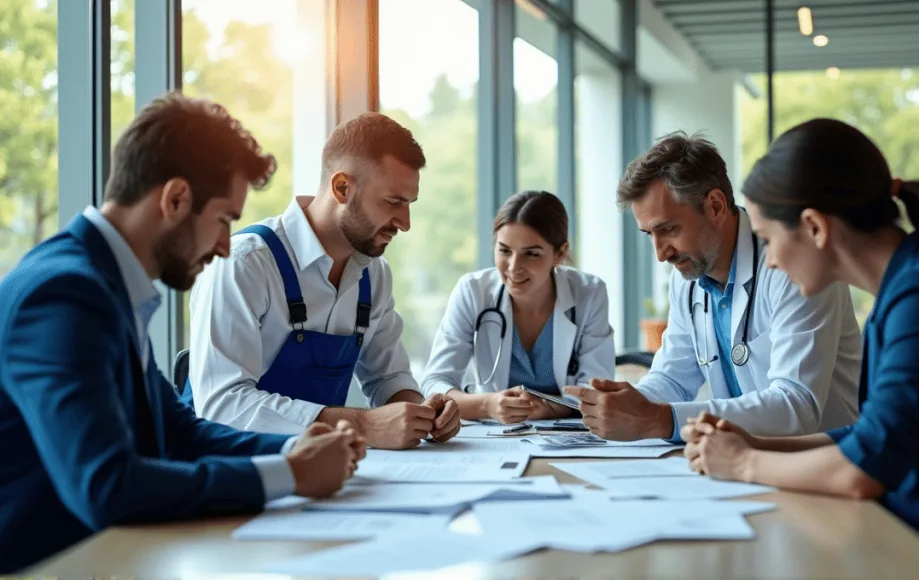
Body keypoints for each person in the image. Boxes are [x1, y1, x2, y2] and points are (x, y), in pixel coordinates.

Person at [0, 93, 365, 573]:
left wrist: (293, 447)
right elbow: (107, 485)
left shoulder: (104, 284)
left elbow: (177, 431)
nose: (222, 246)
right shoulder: (66, 295)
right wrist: (290, 475)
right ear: (174, 199)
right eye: (223, 221)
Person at [685, 118, 919, 578]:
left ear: (815, 227)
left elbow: (864, 469)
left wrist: (744, 462)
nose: (771, 259)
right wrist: (755, 442)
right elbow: (873, 434)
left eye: (767, 240)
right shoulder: (910, 286)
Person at [184, 112, 460, 449]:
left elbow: (388, 378)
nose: (405, 222)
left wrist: (422, 412)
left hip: (316, 468)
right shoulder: (245, 264)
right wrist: (361, 424)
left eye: (409, 204)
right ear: (342, 187)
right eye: (393, 202)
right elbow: (222, 405)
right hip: (225, 470)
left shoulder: (374, 274)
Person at [565, 132, 862, 441]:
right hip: (740, 459)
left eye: (668, 229)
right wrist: (626, 404)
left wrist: (660, 419)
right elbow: (672, 380)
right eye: (648, 234)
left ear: (716, 206)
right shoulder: (689, 279)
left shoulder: (793, 264)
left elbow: (796, 405)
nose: (660, 253)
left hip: (821, 461)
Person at [421, 191, 615, 423]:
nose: (514, 267)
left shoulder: (589, 293)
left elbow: (596, 391)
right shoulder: (473, 292)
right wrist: (487, 405)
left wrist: (553, 409)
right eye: (504, 251)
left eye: (531, 254)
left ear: (560, 253)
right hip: (492, 436)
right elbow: (436, 382)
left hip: (566, 432)